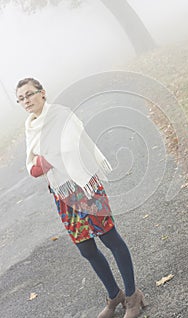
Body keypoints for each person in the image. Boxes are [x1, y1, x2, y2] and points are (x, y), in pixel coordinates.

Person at [16, 78, 146, 318]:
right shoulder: (30, 126)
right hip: (62, 193)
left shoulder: (61, 115)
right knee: (86, 249)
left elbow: (67, 148)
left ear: (42, 93)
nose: (26, 101)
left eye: (29, 94)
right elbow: (32, 167)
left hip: (85, 186)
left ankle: (132, 295)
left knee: (110, 239)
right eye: (21, 98)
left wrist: (44, 161)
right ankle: (114, 294)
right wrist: (43, 161)